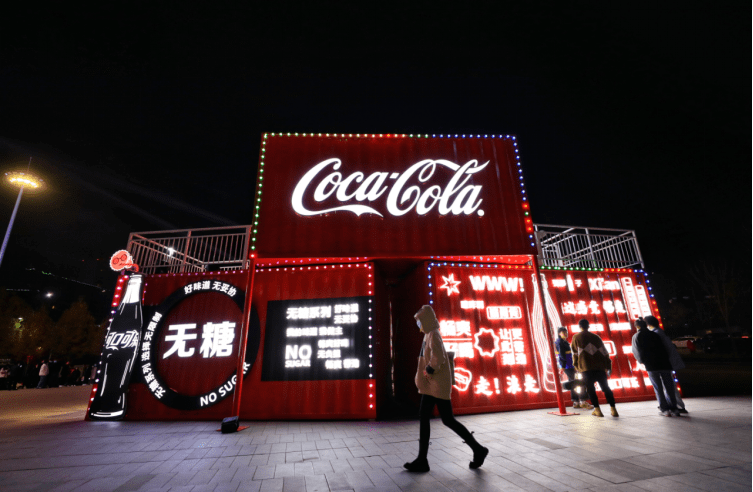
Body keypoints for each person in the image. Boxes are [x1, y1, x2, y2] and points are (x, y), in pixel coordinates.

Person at [404, 305, 489, 473]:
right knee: (447, 419)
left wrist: (429, 369)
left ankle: (423, 460)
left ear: (426, 320)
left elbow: (439, 357)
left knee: (427, 417)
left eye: (420, 320)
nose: (418, 324)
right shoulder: (429, 334)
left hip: (435, 384)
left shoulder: (433, 334)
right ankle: (478, 449)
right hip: (433, 384)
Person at [571, 319, 618, 417]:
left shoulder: (576, 337)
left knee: (591, 389)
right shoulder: (596, 337)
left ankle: (598, 410)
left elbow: (575, 355)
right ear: (588, 326)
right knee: (606, 388)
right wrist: (608, 366)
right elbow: (605, 352)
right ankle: (613, 409)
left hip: (586, 368)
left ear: (579, 326)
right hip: (599, 367)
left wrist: (577, 367)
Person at [632, 318, 679, 416]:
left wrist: (642, 361)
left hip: (651, 365)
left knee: (658, 388)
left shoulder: (636, 336)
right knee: (669, 387)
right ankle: (674, 408)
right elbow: (667, 348)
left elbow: (636, 352)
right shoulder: (655, 334)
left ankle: (665, 409)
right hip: (664, 363)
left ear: (638, 326)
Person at [645, 315, 688, 414]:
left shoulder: (656, 334)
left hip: (663, 364)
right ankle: (676, 406)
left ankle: (676, 406)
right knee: (669, 386)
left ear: (648, 324)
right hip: (666, 364)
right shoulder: (660, 332)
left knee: (668, 387)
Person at [554, 327, 592, 410]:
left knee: (573, 383)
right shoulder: (560, 342)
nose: (565, 333)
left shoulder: (563, 341)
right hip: (568, 366)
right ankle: (582, 401)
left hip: (570, 365)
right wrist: (563, 367)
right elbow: (562, 356)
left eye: (566, 332)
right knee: (579, 382)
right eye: (563, 332)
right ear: (559, 333)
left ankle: (576, 402)